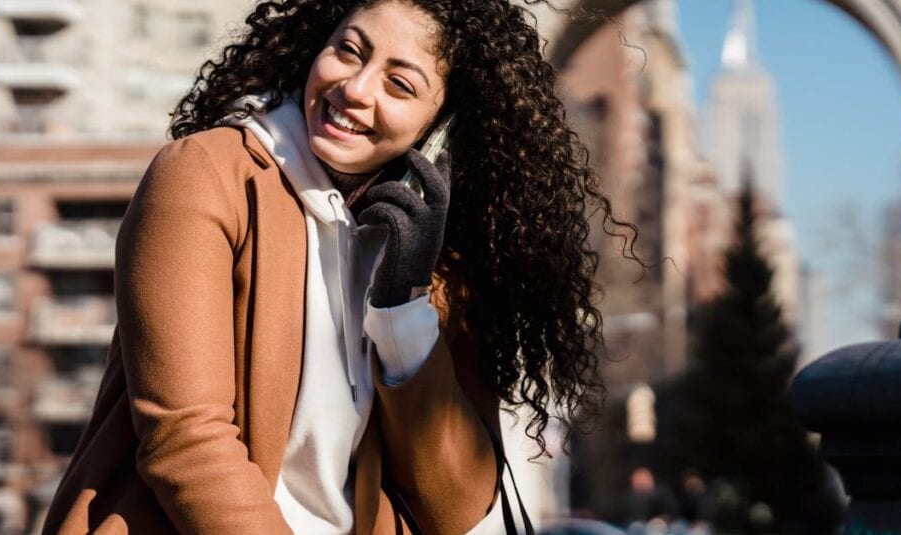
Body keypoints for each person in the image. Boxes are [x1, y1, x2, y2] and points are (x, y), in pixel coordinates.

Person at [42, 0, 638, 533]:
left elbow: (457, 507)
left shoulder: (428, 253)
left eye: (400, 85)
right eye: (348, 51)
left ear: (444, 130)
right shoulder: (206, 175)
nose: (355, 88)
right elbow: (186, 445)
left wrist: (404, 309)